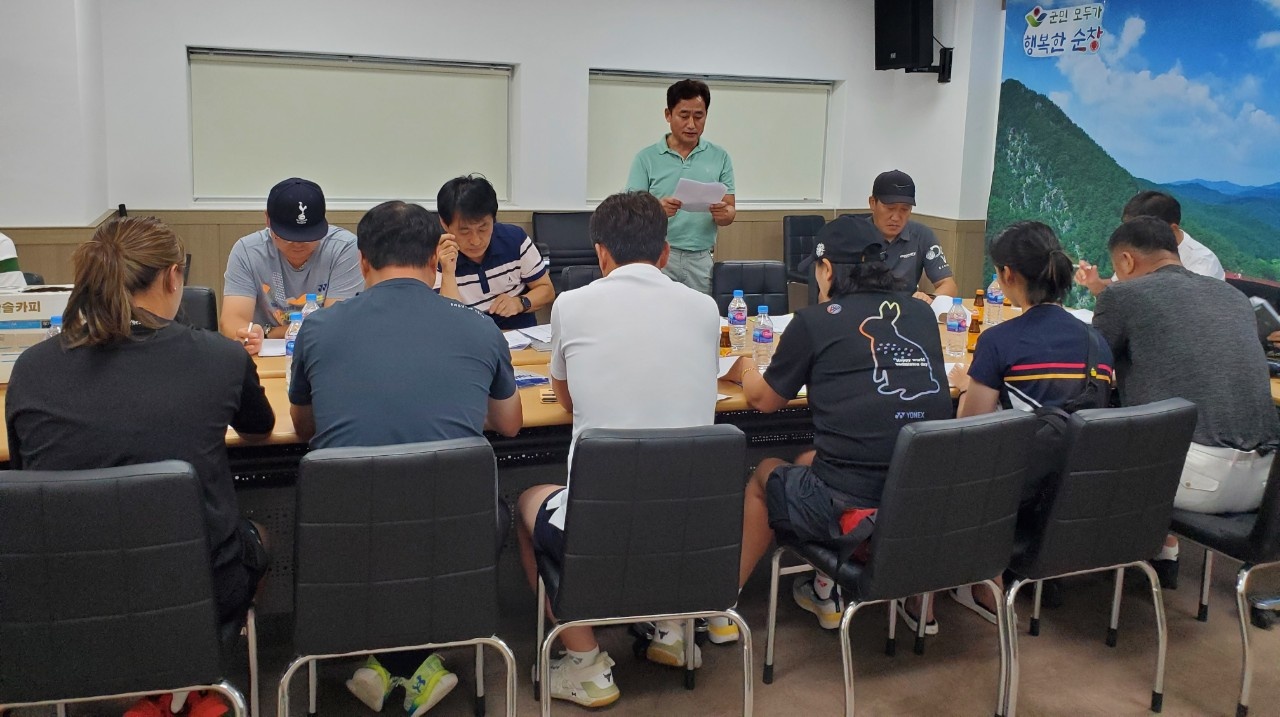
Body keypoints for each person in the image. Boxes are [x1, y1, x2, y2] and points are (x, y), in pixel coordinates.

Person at [288, 200, 522, 716]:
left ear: (362, 260)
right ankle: (417, 662)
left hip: (345, 536)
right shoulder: (479, 327)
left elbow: (305, 427)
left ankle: (381, 662)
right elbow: (509, 424)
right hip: (455, 535)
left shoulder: (318, 329)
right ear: (436, 258)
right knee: (455, 513)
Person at [5, 216, 275, 639]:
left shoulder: (31, 368)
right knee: (259, 535)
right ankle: (211, 660)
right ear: (173, 276)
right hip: (198, 586)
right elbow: (259, 430)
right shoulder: (220, 358)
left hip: (64, 594)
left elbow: (25, 471)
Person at [514, 191, 720, 708]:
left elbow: (566, 399)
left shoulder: (572, 304)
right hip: (690, 530)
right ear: (665, 253)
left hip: (598, 527)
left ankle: (585, 662)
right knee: (665, 497)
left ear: (601, 254)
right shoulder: (705, 307)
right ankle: (671, 628)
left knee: (527, 502)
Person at [724, 215, 952, 635]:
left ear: (827, 269)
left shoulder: (814, 321)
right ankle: (823, 590)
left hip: (850, 507)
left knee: (765, 472)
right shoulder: (922, 315)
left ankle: (722, 605)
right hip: (919, 502)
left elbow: (765, 400)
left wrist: (743, 369)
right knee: (809, 458)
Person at [1093, 216, 1279, 586]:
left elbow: (1092, 374)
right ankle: (1163, 552)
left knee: (1089, 434)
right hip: (1266, 485)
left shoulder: (1122, 296)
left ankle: (1089, 562)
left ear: (1126, 261)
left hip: (1194, 482)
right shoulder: (1233, 298)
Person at [947, 221, 1114, 620]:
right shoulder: (1097, 340)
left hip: (1018, 492)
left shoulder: (1000, 341)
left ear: (1007, 274)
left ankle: (979, 581)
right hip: (1081, 491)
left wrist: (966, 385)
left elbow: (970, 428)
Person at [220, 177, 363, 354]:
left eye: (308, 235)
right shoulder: (247, 251)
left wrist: (270, 333)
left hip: (324, 353)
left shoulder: (344, 249)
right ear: (268, 220)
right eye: (287, 236)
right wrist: (247, 335)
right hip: (262, 356)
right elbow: (231, 319)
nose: (298, 244)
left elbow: (335, 326)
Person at [625, 79, 736, 294]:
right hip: (657, 254)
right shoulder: (646, 158)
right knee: (657, 311)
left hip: (701, 257)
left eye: (699, 116)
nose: (692, 125)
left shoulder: (720, 157)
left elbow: (730, 210)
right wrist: (656, 209)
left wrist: (725, 214)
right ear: (668, 115)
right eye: (684, 116)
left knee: (700, 312)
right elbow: (630, 211)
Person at [435, 175, 554, 330]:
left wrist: (520, 303)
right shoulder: (437, 256)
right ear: (444, 224)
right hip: (470, 336)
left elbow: (546, 290)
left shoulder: (514, 239)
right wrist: (448, 272)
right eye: (464, 231)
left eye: (483, 228)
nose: (476, 241)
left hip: (519, 334)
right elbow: (448, 320)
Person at [1075, 190, 1226, 295]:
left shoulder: (1202, 264)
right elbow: (1117, 287)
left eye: (1141, 232)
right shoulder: (1141, 249)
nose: (1132, 238)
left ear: (1172, 229)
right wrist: (1094, 283)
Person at [861, 169, 958, 300]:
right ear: (872, 203)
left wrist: (930, 298)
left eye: (904, 209)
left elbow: (949, 285)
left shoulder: (922, 235)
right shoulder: (853, 235)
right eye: (890, 208)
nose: (896, 217)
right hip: (864, 307)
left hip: (907, 308)